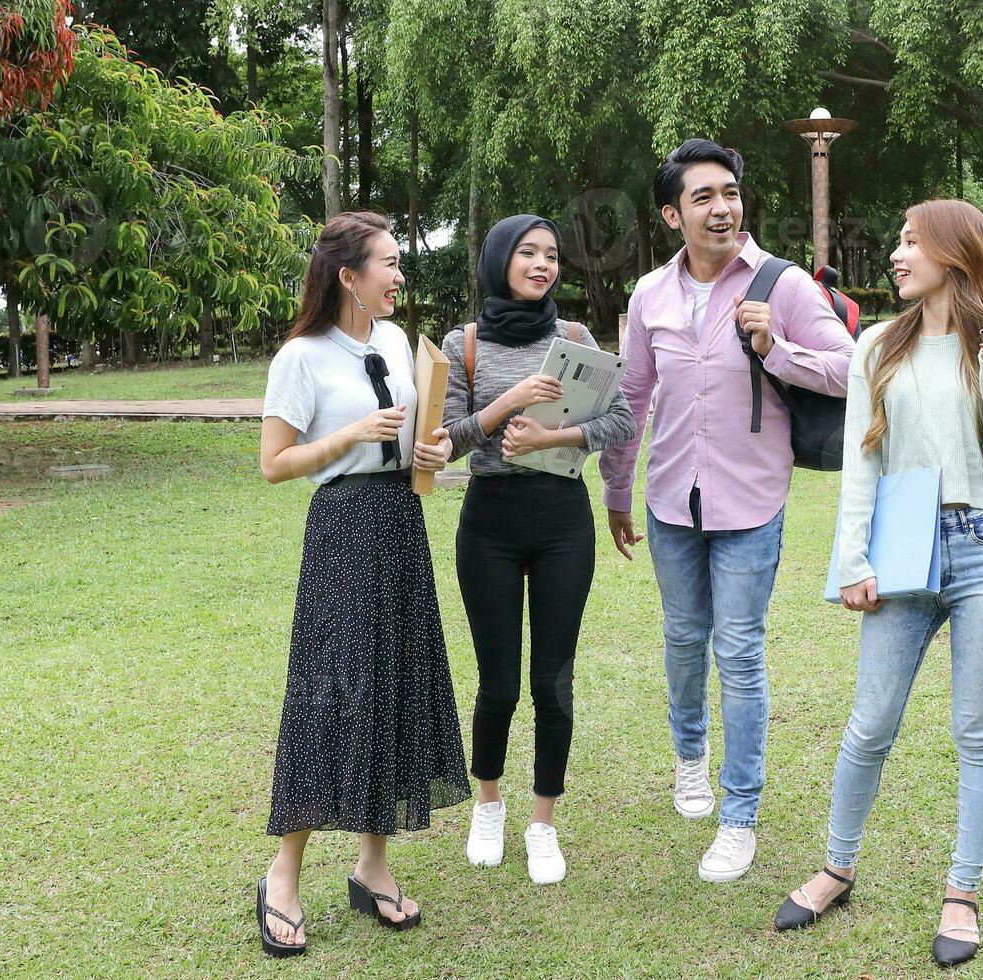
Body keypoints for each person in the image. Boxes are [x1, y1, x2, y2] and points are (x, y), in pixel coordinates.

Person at [772, 199, 983, 969]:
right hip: (904, 537)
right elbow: (863, 462)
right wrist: (851, 562)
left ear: (955, 255)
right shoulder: (876, 347)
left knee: (975, 729)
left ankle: (963, 894)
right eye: (899, 236)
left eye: (910, 240)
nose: (896, 251)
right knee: (870, 721)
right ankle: (837, 868)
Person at [598, 139, 855, 883]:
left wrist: (775, 348)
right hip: (671, 498)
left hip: (751, 500)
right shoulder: (650, 294)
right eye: (703, 197)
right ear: (672, 214)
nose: (723, 208)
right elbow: (632, 400)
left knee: (738, 651)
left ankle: (739, 816)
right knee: (683, 639)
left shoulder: (785, 285)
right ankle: (690, 755)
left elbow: (849, 367)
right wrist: (617, 489)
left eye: (730, 193)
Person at [254, 211, 471, 957]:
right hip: (342, 529)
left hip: (401, 526)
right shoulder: (302, 358)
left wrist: (431, 447)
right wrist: (351, 434)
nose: (399, 276)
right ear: (349, 276)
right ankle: (283, 875)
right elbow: (274, 463)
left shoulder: (394, 342)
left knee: (394, 690)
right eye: (388, 264)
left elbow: (414, 437)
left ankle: (372, 866)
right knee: (329, 694)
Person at [441, 214, 634, 885]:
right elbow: (447, 442)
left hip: (562, 522)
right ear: (500, 260)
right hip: (489, 522)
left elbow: (620, 420)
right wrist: (511, 404)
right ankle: (488, 804)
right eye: (528, 253)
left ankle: (543, 822)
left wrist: (553, 439)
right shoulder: (462, 344)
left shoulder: (577, 339)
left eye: (552, 255)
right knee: (498, 683)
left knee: (554, 682)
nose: (543, 264)